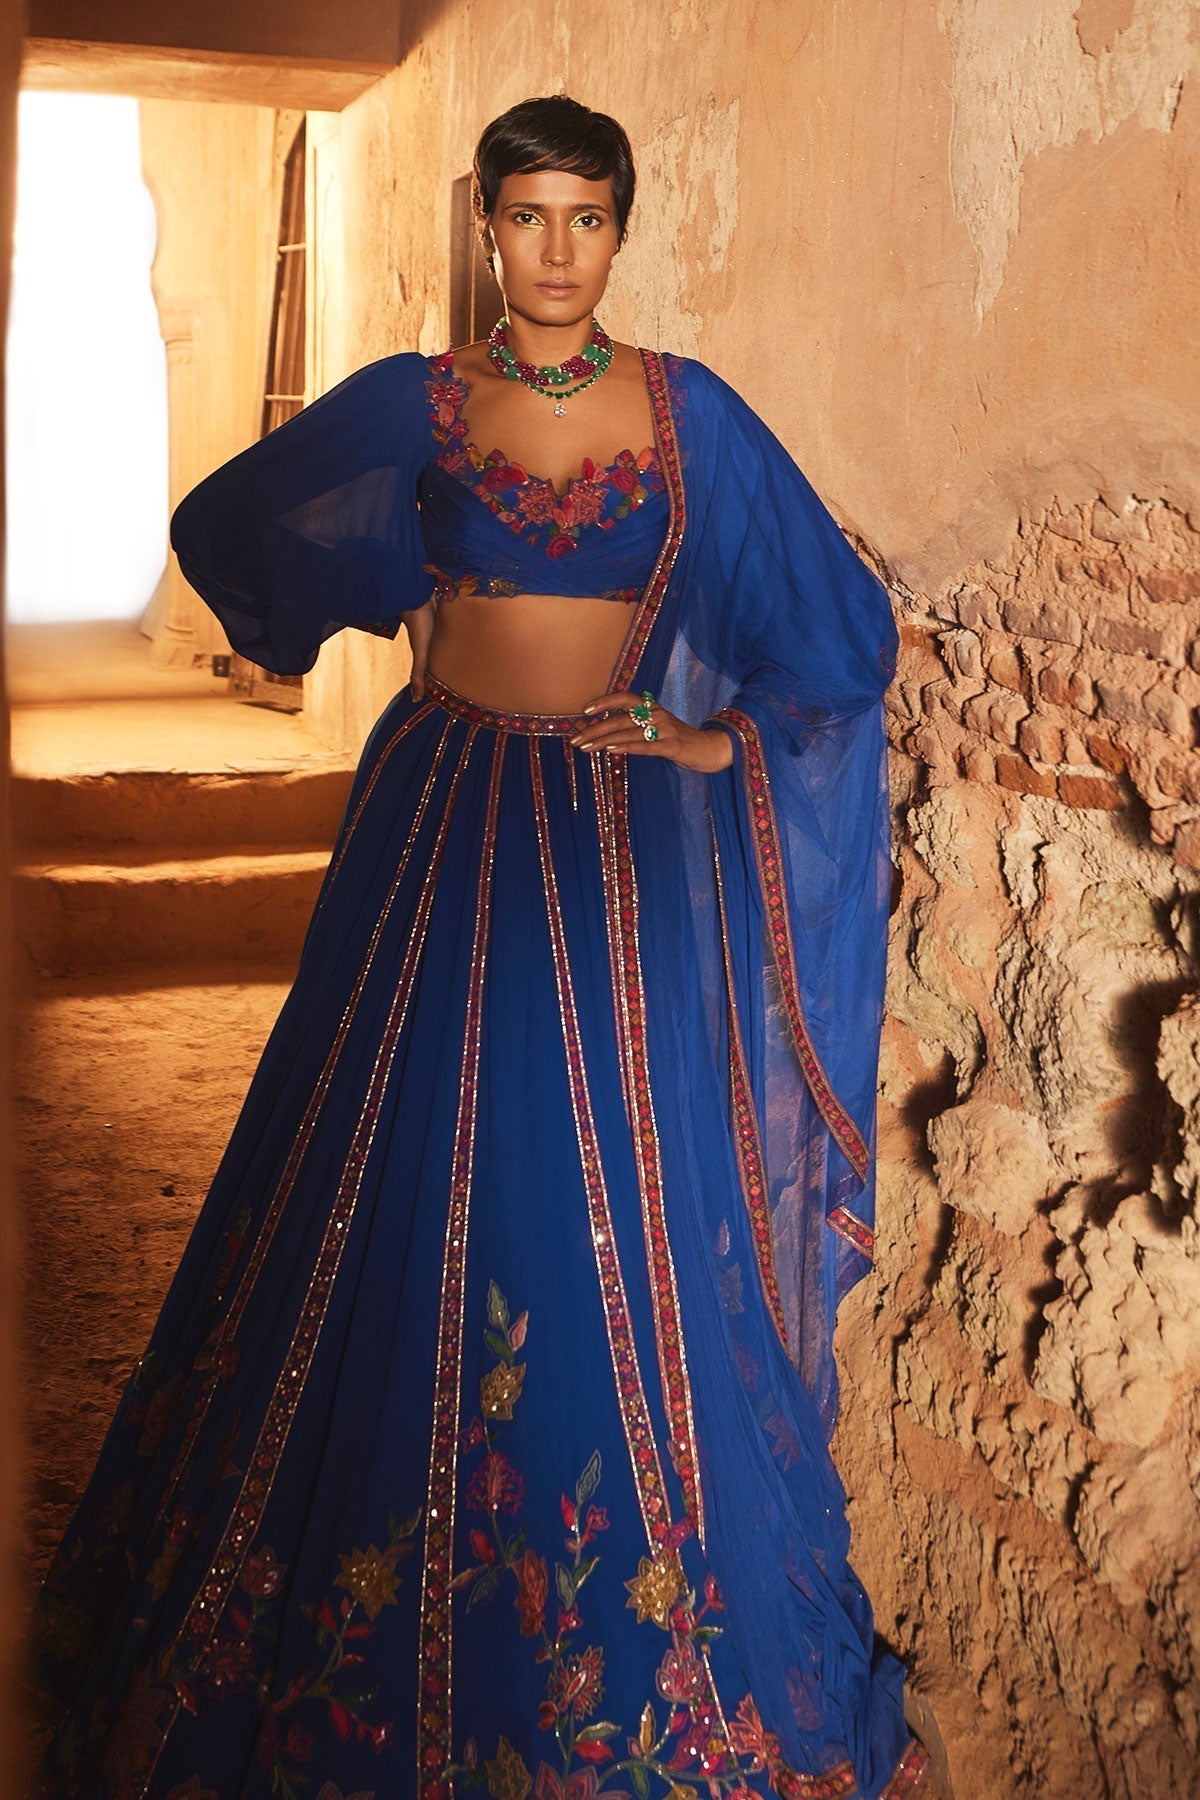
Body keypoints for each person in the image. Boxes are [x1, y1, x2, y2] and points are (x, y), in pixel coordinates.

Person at [29, 95, 928, 1800]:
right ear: (488, 228)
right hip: (446, 825)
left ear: (623, 227)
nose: (558, 249)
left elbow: (835, 635)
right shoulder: (424, 403)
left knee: (613, 1190)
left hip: (617, 843)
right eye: (528, 216)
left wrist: (709, 742)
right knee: (402, 1168)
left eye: (588, 216)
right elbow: (234, 525)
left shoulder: (693, 415)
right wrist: (354, 598)